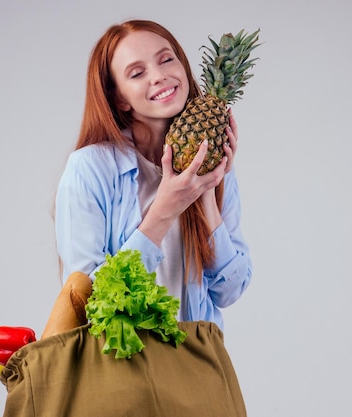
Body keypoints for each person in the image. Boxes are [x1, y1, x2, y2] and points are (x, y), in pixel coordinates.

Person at [53, 19, 252, 331]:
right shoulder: (90, 168)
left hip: (198, 368)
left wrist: (207, 192)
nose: (159, 76)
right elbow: (87, 300)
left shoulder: (215, 167)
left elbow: (230, 290)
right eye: (137, 72)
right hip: (124, 371)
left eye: (166, 59)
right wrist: (164, 210)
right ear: (119, 97)